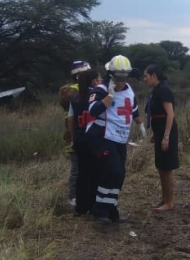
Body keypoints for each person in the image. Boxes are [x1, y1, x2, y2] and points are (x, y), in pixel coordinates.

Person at [73, 55, 142, 223]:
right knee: (113, 171)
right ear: (110, 74)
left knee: (119, 175)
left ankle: (110, 210)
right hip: (101, 137)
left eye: (124, 76)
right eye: (118, 76)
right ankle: (100, 210)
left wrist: (140, 125)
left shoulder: (129, 90)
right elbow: (93, 111)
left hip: (120, 138)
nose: (121, 80)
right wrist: (109, 97)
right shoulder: (100, 90)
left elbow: (133, 109)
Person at [143, 64, 179, 212]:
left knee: (167, 167)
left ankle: (169, 202)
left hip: (167, 133)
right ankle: (164, 199)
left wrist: (166, 136)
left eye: (146, 76)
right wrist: (155, 134)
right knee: (160, 166)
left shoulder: (164, 90)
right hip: (159, 131)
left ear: (154, 76)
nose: (144, 79)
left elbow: (170, 114)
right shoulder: (156, 90)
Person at [68, 67, 102, 217]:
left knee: (82, 173)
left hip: (79, 138)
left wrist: (73, 137)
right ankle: (93, 206)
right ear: (93, 81)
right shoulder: (95, 96)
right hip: (93, 138)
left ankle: (80, 208)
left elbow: (70, 119)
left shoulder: (74, 97)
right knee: (95, 172)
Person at [60, 60, 92, 208]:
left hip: (82, 134)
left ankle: (83, 194)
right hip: (75, 136)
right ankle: (73, 196)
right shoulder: (72, 91)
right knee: (76, 168)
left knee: (84, 167)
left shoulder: (79, 90)